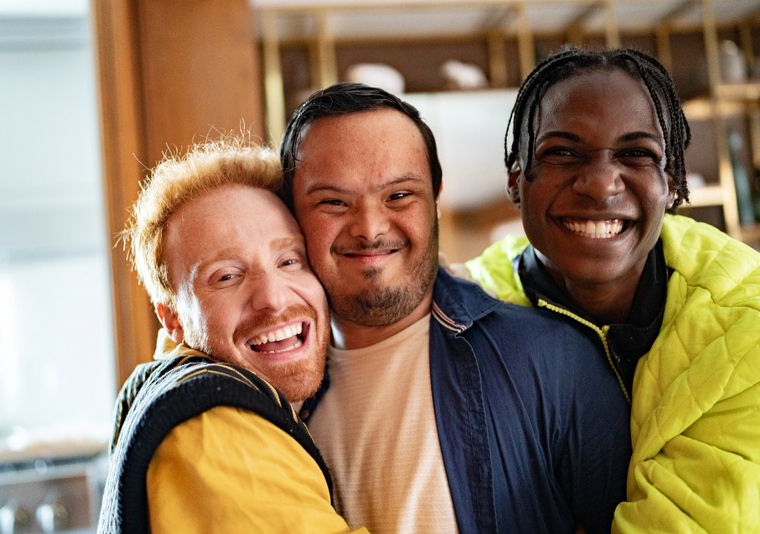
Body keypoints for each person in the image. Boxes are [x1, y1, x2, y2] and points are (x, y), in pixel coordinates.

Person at [279, 82, 632, 533]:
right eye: (333, 201)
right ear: (291, 211)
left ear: (436, 200)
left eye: (399, 196)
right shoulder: (270, 396)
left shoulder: (554, 359)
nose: (369, 229)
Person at [464, 47, 760, 532]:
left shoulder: (745, 320)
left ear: (671, 182)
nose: (600, 185)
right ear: (517, 179)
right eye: (562, 151)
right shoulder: (467, 312)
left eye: (635, 154)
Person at [97, 137, 365, 533]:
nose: (273, 298)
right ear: (173, 320)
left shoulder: (169, 387)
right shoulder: (215, 428)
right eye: (226, 277)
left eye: (289, 260)